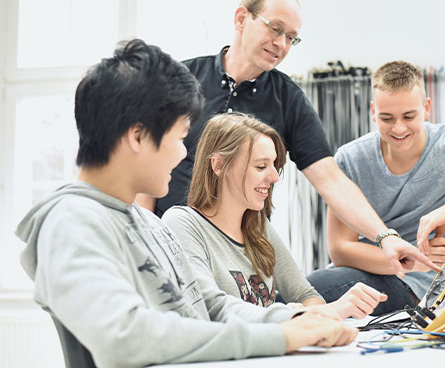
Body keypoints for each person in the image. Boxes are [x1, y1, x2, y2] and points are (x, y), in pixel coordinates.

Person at [15, 39, 356, 368]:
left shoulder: (148, 223)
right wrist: (279, 337)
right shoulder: (72, 223)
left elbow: (209, 305)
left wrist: (296, 319)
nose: (184, 153)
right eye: (180, 138)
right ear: (137, 137)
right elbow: (126, 337)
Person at [136, 0, 439, 277]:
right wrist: (146, 243)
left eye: (291, 37)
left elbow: (331, 180)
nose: (281, 43)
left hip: (241, 259)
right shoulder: (181, 79)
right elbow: (146, 166)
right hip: (170, 247)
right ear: (242, 18)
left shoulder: (288, 99)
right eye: (275, 28)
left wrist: (385, 237)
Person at [307, 60, 445, 315]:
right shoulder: (351, 158)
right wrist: (412, 262)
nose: (399, 128)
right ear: (373, 112)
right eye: (387, 118)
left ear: (427, 108)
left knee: (302, 296)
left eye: (409, 116)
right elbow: (340, 250)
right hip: (357, 272)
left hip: (414, 287)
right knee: (300, 293)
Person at [162, 113, 388, 319]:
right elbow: (210, 306)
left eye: (274, 165)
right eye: (261, 166)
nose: (274, 177)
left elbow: (305, 294)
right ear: (219, 165)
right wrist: (306, 313)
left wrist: (312, 312)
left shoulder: (258, 225)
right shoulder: (182, 223)